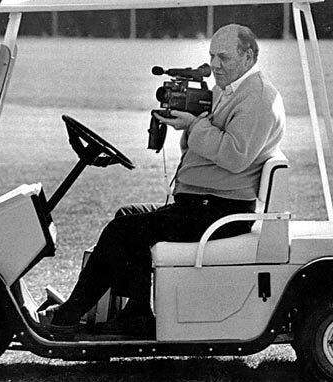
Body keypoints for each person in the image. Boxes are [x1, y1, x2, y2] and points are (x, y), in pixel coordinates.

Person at [39, 23, 285, 338]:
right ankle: (136, 311)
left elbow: (236, 155)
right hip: (203, 203)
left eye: (223, 57)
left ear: (249, 56)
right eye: (212, 56)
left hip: (220, 212)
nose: (215, 65)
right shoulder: (231, 89)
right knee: (127, 217)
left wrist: (193, 126)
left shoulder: (258, 98)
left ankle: (70, 314)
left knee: (123, 231)